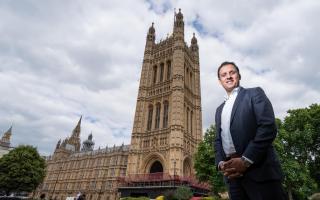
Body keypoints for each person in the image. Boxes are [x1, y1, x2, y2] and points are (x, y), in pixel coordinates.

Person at [214, 61, 286, 200]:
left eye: (232, 73)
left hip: (259, 172)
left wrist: (245, 160)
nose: (228, 76)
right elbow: (218, 140)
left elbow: (268, 127)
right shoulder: (219, 110)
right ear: (220, 81)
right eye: (224, 75)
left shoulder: (254, 93)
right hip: (233, 177)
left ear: (238, 76)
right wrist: (221, 163)